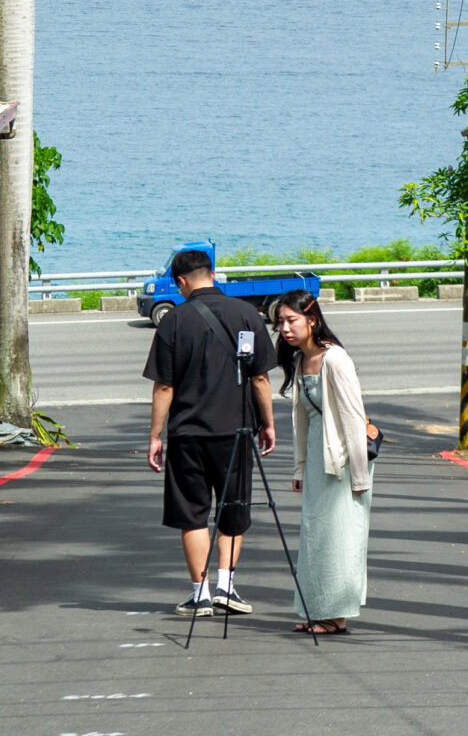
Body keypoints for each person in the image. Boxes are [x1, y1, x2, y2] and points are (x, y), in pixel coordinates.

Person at [143, 244, 277, 617]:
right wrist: (267, 424)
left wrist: (156, 436)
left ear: (181, 281)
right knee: (233, 508)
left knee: (193, 514)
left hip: (187, 434)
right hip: (235, 432)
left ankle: (200, 593)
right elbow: (261, 378)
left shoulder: (173, 322)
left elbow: (164, 386)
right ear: (213, 275)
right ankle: (226, 587)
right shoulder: (246, 314)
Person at [272, 290, 370, 635]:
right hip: (317, 457)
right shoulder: (300, 361)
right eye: (279, 322)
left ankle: (336, 615)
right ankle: (318, 609)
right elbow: (303, 421)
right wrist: (299, 467)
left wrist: (359, 476)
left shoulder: (335, 359)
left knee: (339, 536)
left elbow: (354, 419)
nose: (284, 328)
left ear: (312, 321)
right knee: (315, 534)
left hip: (342, 460)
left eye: (291, 320)